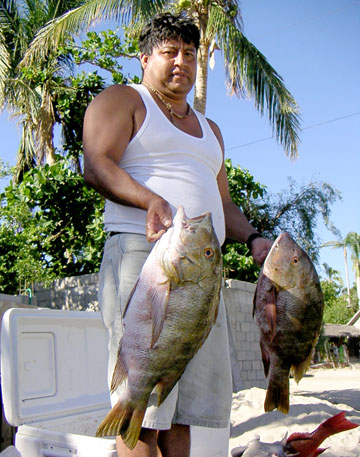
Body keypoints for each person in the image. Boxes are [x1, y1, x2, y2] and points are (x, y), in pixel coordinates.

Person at [83, 12, 272, 457]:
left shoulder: (212, 131)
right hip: (144, 256)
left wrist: (253, 238)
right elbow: (96, 163)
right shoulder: (124, 100)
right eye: (169, 52)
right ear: (145, 57)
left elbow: (223, 204)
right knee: (143, 413)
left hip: (202, 275)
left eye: (189, 53)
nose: (181, 62)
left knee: (183, 414)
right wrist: (150, 200)